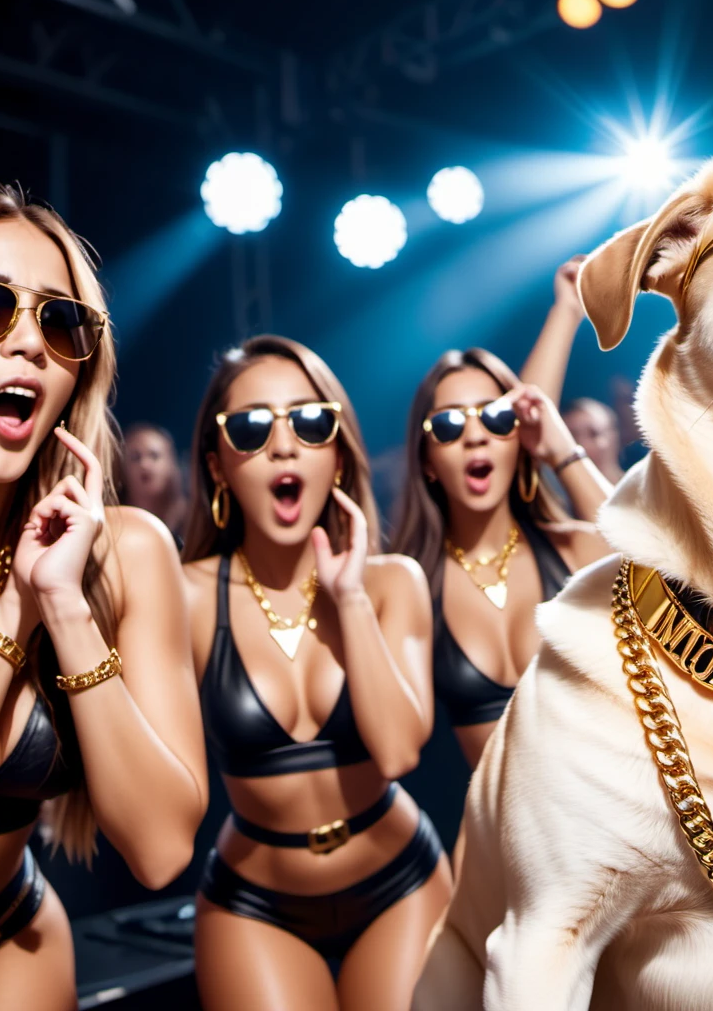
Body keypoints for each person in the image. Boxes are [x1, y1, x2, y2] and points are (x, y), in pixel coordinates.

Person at [0, 185, 207, 1008]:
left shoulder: (124, 555)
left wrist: (64, 606)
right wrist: (12, 613)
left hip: (3, 946)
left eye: (61, 323)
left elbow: (160, 851)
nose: (29, 344)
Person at [181, 336, 444, 1010]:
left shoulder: (391, 584)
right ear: (218, 466)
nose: (284, 444)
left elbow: (398, 751)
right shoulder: (183, 595)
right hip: (254, 903)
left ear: (336, 451)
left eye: (309, 420)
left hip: (400, 881)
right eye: (250, 426)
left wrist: (349, 597)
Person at [390, 348, 611, 782]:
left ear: (518, 439)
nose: (475, 436)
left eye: (495, 418)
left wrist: (561, 451)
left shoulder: (572, 549)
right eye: (450, 424)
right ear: (427, 462)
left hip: (609, 825)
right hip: (499, 836)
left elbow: (647, 562)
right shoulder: (410, 585)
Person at [118, 422, 187, 539]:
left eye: (154, 456)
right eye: (135, 457)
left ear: (171, 463)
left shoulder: (193, 520)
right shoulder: (115, 523)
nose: (144, 465)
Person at [562, 397, 625, 484]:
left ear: (614, 437)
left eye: (593, 434)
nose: (583, 445)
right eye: (572, 436)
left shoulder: (641, 491)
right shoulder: (555, 494)